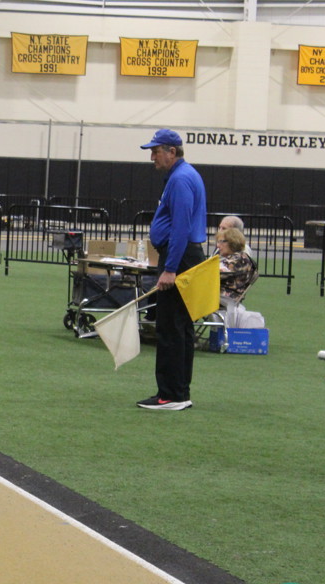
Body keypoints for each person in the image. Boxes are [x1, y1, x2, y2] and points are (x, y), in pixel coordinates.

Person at [137, 129, 207, 411]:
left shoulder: (180, 179)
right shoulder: (184, 176)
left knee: (170, 327)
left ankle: (170, 395)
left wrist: (170, 268)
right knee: (181, 327)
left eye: (156, 151)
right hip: (185, 256)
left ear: (172, 152)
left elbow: (180, 228)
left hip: (180, 257)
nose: (152, 157)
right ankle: (179, 392)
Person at [216, 227, 257, 305]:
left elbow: (214, 274)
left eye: (221, 242)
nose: (218, 245)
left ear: (233, 242)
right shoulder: (238, 257)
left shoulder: (239, 259)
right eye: (218, 242)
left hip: (224, 299)